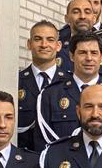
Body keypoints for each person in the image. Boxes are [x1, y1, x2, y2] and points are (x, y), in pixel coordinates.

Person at [36, 32, 102, 146]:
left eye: (94, 53)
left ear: (101, 57)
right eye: (82, 53)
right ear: (71, 56)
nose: (89, 58)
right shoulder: (51, 94)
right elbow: (43, 143)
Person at [18, 20, 67, 152]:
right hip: (24, 161)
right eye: (38, 39)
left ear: (58, 45)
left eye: (50, 40)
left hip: (60, 159)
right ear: (29, 44)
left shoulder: (71, 83)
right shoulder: (16, 82)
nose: (44, 45)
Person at [55, 0, 97, 73]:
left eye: (87, 12)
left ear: (94, 18)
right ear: (66, 18)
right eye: (76, 12)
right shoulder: (55, 46)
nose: (82, 16)